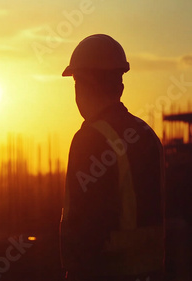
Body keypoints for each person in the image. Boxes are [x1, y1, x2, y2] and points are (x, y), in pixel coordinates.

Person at [60, 34, 165, 281]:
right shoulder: (146, 134)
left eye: (76, 83)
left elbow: (88, 228)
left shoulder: (91, 138)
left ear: (85, 85)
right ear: (120, 86)